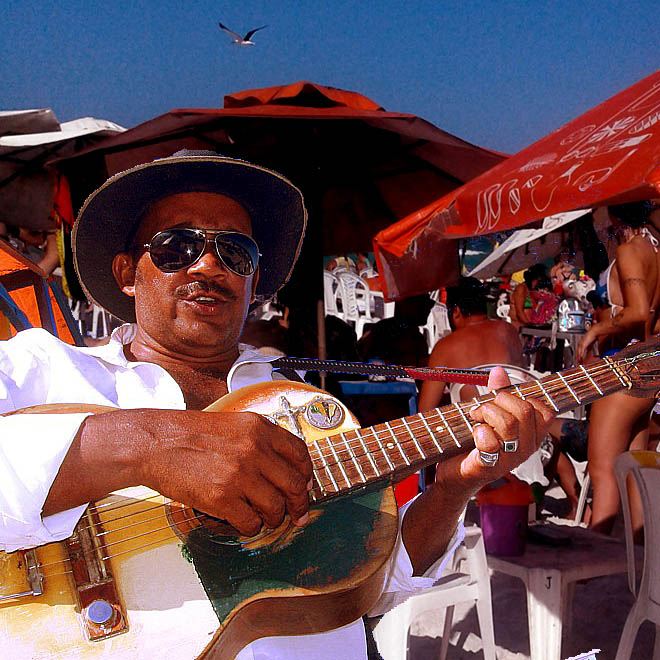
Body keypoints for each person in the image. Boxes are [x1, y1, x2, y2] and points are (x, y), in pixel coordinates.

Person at [0, 152, 553, 659]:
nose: (208, 266)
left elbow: (373, 582)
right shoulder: (45, 370)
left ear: (253, 279)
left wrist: (455, 487)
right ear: (127, 273)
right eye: (177, 248)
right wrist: (142, 444)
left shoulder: (299, 404)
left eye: (234, 252)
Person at [576, 200, 660, 537]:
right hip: (650, 364)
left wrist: (595, 331)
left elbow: (638, 311)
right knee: (634, 467)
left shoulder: (629, 250)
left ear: (613, 214)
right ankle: (642, 560)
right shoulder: (655, 251)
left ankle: (590, 569)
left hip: (622, 368)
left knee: (603, 471)